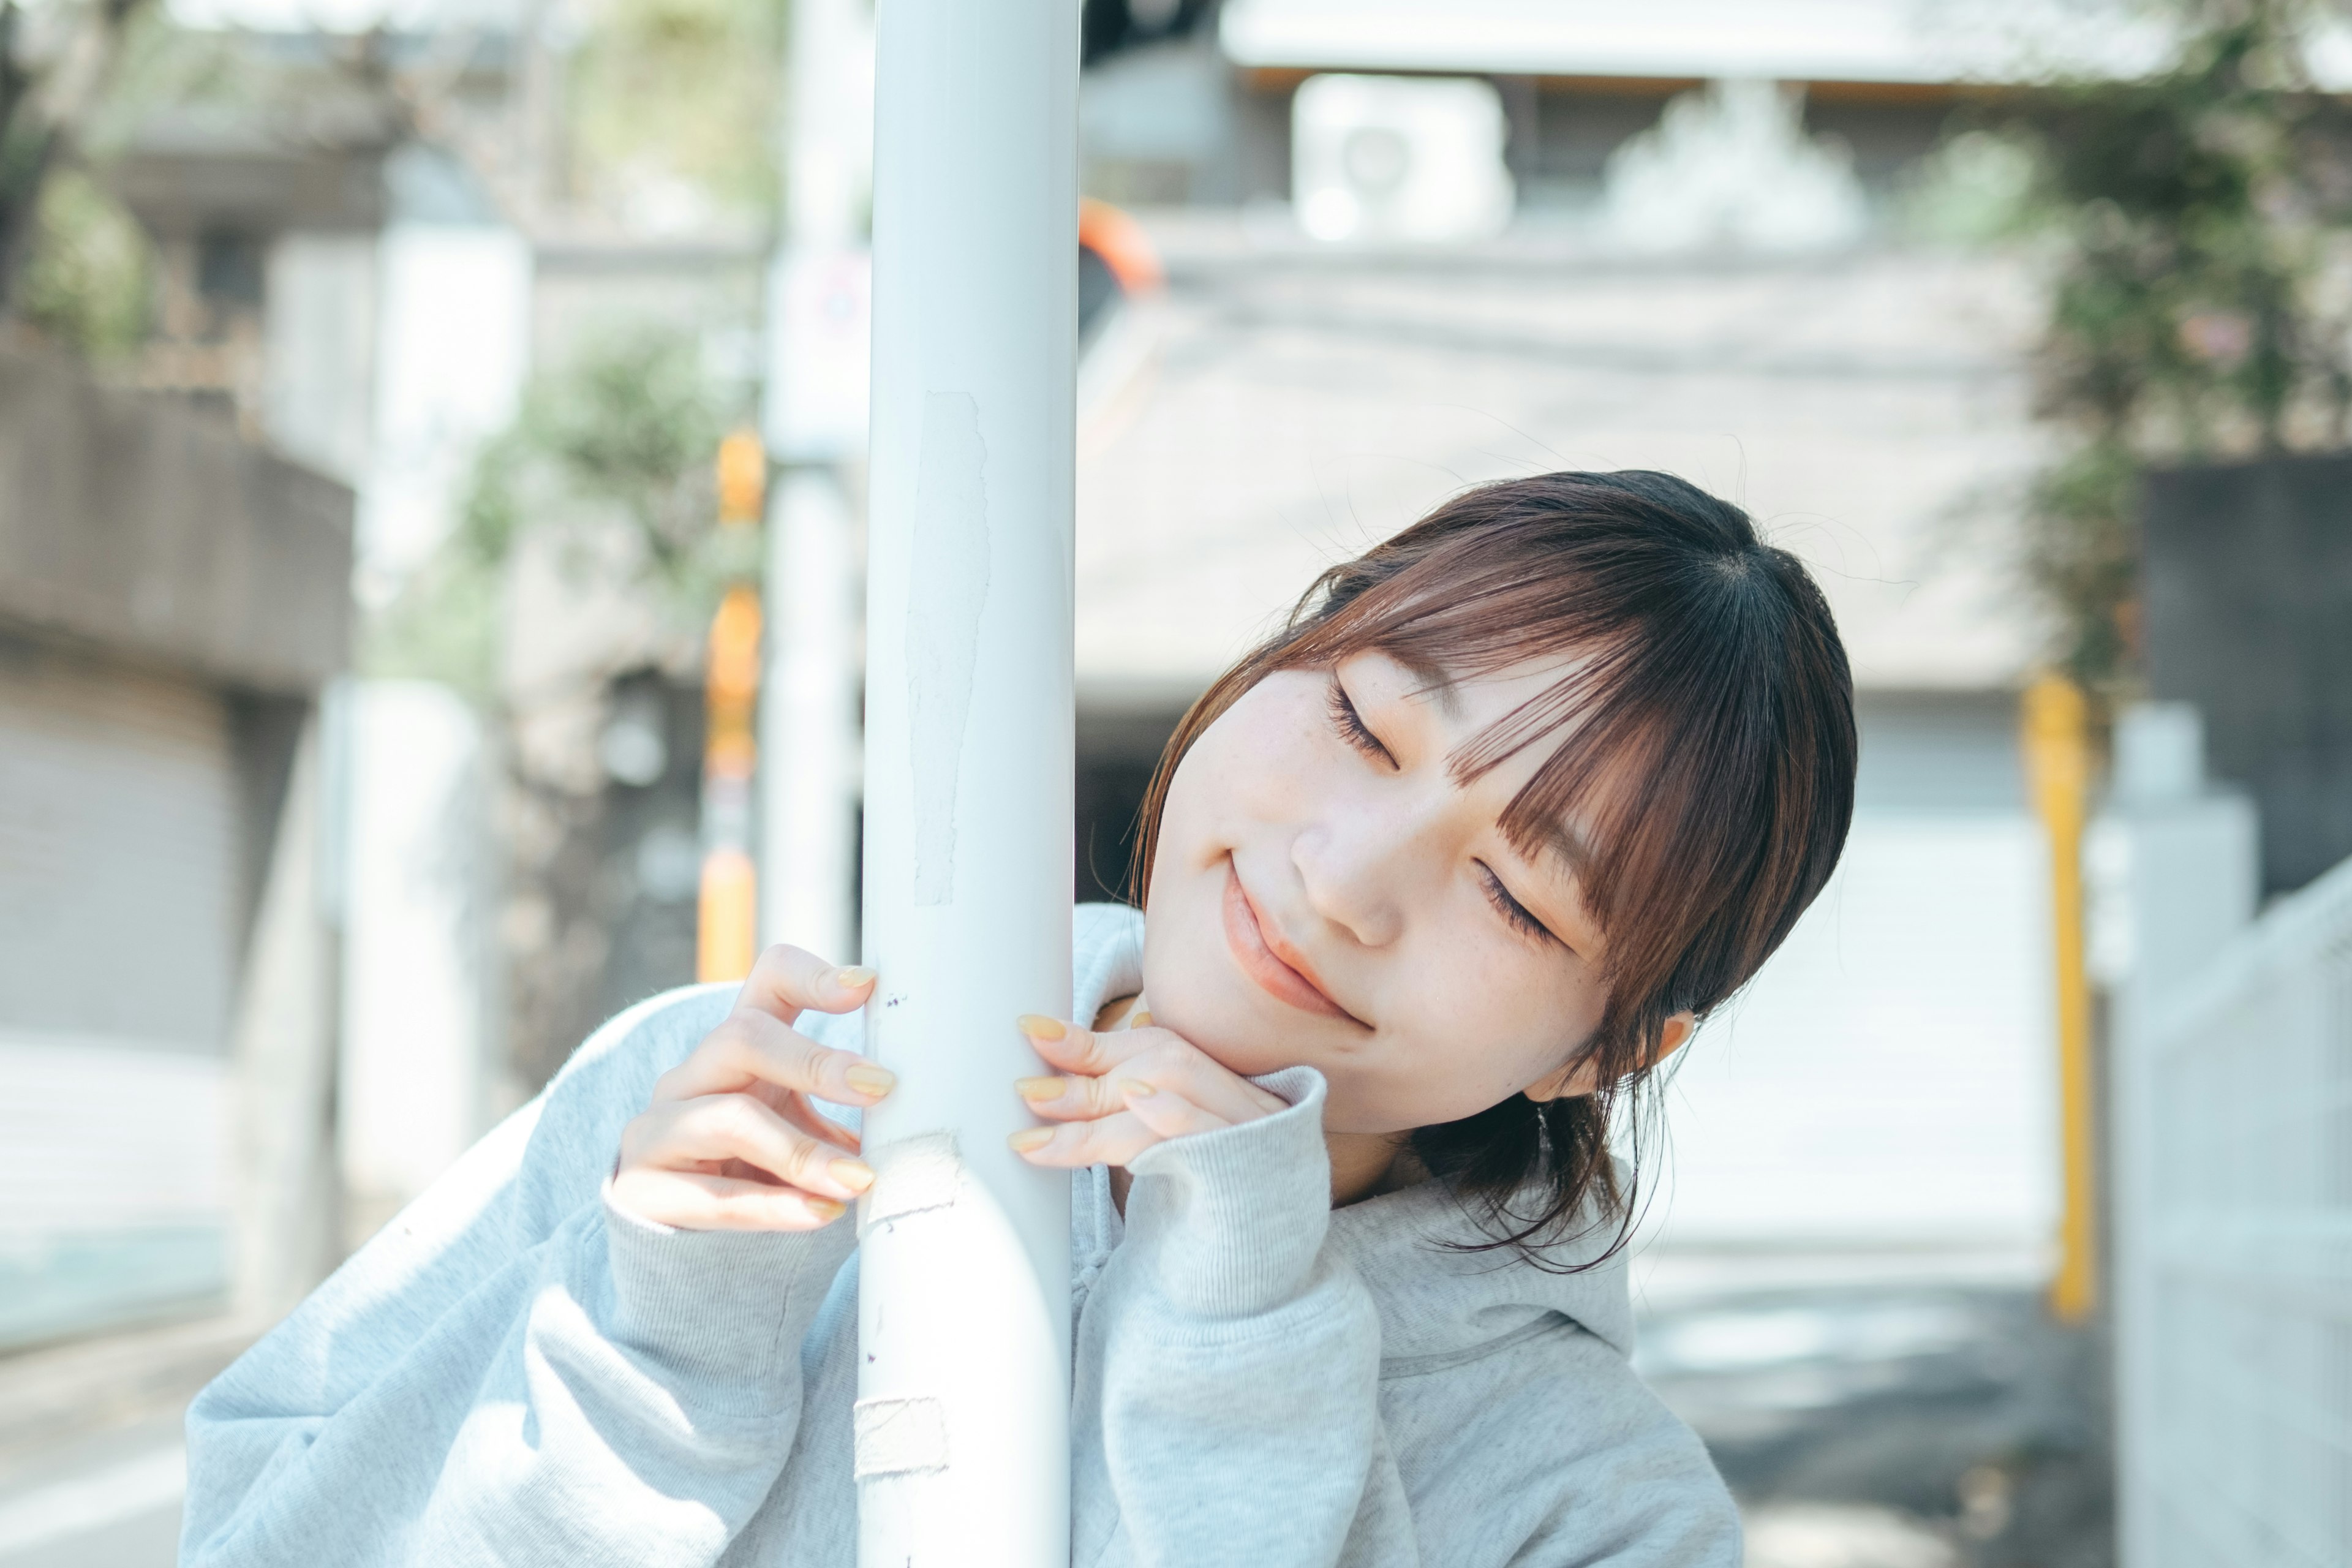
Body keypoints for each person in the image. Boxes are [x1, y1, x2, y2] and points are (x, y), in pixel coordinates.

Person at [183, 470, 1855, 1567]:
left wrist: (1244, 1336)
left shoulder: (1588, 1503)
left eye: (1515, 893)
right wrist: (651, 1341)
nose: (1348, 876)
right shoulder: (726, 1103)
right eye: (1359, 722)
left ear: (1611, 1049)